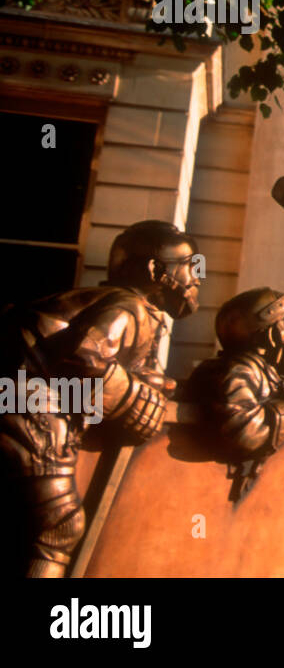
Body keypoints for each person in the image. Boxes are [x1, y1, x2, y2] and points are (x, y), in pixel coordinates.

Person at [0, 220, 199, 577]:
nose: (197, 278)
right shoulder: (127, 307)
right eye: (190, 266)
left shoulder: (120, 305)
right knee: (60, 528)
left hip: (23, 396)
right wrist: (131, 397)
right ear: (157, 270)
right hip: (24, 398)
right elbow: (85, 358)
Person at [184, 287, 284, 501]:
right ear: (275, 334)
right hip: (213, 498)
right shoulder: (237, 372)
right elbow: (243, 429)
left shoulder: (264, 371)